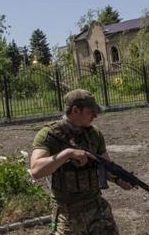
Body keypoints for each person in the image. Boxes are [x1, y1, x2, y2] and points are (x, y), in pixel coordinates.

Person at [30, 89, 133, 235]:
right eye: (91, 111)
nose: (95, 115)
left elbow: (105, 165)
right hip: (69, 215)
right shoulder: (49, 135)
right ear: (75, 110)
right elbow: (36, 171)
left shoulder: (94, 134)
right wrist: (68, 153)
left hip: (98, 211)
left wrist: (119, 179)